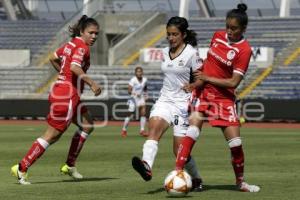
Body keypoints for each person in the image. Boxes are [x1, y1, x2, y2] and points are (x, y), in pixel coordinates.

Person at [174, 4, 260, 192]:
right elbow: (208, 64)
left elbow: (233, 82)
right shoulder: (218, 35)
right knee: (192, 131)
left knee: (236, 144)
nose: (229, 31)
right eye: (227, 26)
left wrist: (206, 77)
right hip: (204, 93)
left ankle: (241, 183)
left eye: (234, 28)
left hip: (224, 98)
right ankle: (177, 172)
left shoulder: (244, 50)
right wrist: (198, 82)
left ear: (243, 29)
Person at [11, 15, 101, 185]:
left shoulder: (71, 44)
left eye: (97, 33)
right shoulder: (82, 47)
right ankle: (22, 167)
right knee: (52, 135)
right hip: (67, 95)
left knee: (88, 124)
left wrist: (62, 74)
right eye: (91, 33)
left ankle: (69, 165)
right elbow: (74, 67)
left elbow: (53, 57)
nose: (94, 36)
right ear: (82, 31)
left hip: (63, 91)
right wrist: (92, 83)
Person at [131, 16, 203, 191]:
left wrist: (193, 85)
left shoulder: (192, 54)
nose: (170, 38)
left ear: (183, 35)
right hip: (165, 100)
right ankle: (146, 166)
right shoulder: (164, 51)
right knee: (153, 128)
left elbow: (202, 78)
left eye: (174, 34)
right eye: (168, 34)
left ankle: (197, 179)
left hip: (183, 104)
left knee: (178, 150)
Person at [121, 66, 148, 137]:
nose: (139, 73)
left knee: (143, 113)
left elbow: (145, 88)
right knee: (130, 114)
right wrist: (135, 94)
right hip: (133, 98)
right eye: (138, 72)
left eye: (140, 71)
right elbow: (129, 91)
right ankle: (124, 129)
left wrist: (145, 95)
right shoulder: (133, 80)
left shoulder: (145, 79)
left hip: (141, 98)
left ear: (142, 72)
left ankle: (142, 130)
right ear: (135, 73)